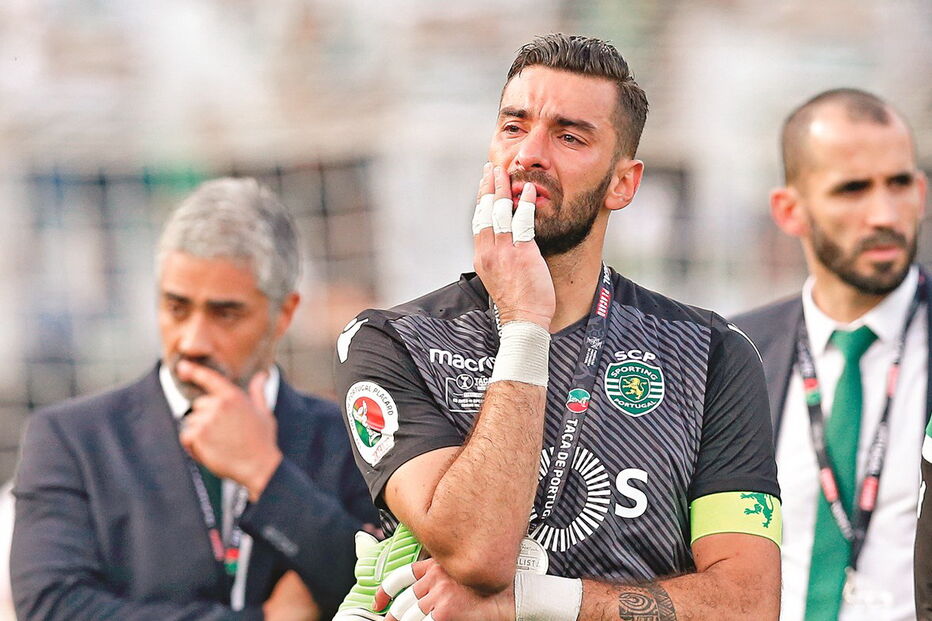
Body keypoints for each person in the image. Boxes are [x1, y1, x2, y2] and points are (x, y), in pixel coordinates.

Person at [334, 34, 781, 621]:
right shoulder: (393, 342)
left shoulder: (711, 354)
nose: (529, 155)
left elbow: (748, 605)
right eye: (514, 127)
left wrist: (539, 603)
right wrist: (524, 325)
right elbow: (477, 551)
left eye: (569, 136)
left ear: (624, 183)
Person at [11, 177, 378, 620]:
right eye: (176, 308)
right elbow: (51, 609)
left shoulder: (351, 438)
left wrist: (267, 474)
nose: (193, 340)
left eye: (226, 313)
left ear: (283, 314)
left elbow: (384, 591)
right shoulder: (72, 440)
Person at [732, 89, 929, 620]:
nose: (884, 214)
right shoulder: (732, 352)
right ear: (790, 210)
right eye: (853, 189)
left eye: (900, 183)